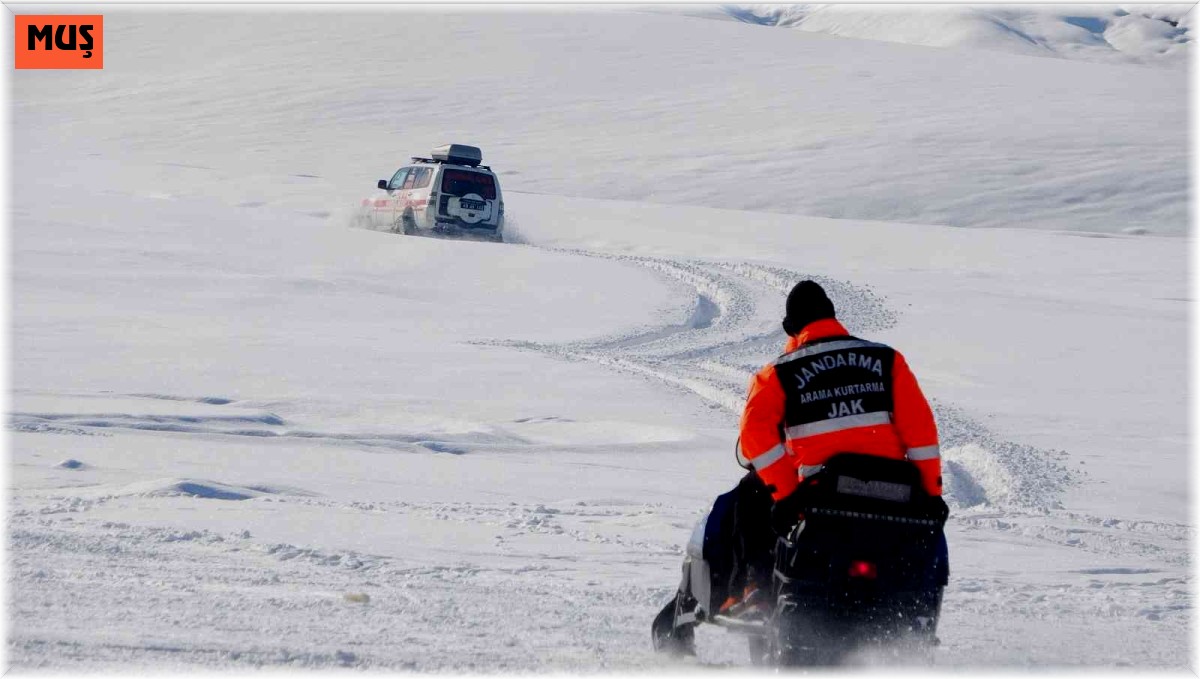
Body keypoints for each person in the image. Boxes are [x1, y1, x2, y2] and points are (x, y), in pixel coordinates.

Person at [721, 279, 945, 612]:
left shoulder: (778, 374)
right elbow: (922, 433)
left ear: (792, 330)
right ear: (832, 316)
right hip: (893, 498)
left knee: (751, 496)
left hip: (821, 499)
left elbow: (755, 435)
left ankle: (758, 592)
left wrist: (787, 496)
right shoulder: (887, 360)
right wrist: (931, 494)